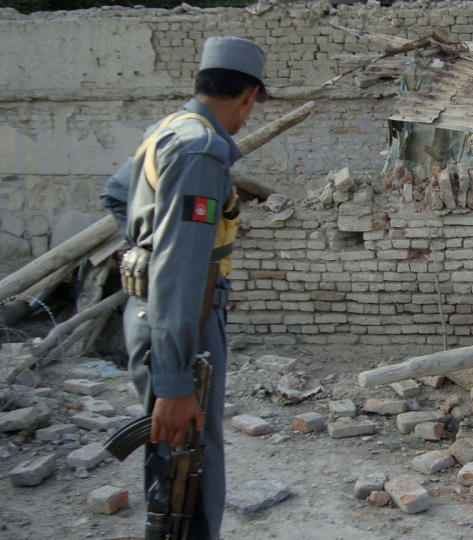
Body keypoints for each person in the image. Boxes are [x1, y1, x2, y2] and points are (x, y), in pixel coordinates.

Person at [101, 36, 267, 539]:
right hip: (184, 320)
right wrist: (174, 383)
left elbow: (115, 196)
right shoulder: (201, 149)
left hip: (154, 313)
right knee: (187, 469)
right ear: (249, 96)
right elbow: (182, 269)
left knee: (173, 458)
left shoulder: (168, 130)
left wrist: (147, 249)